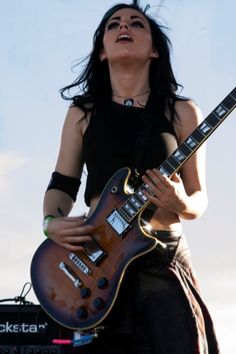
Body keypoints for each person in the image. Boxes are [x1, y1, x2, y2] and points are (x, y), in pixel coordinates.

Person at [42, 2, 220, 353]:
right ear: (102, 52)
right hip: (97, 259)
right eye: (114, 24)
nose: (124, 25)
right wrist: (51, 223)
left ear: (154, 50)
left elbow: (199, 198)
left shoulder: (182, 111)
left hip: (162, 259)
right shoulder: (83, 112)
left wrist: (180, 202)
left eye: (137, 23)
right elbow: (62, 185)